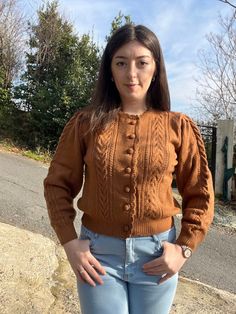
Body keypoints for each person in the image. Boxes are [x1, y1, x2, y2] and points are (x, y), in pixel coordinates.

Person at [44, 24, 214, 314]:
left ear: (156, 68)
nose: (131, 73)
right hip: (98, 256)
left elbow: (200, 193)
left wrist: (183, 248)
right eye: (121, 63)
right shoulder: (86, 123)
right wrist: (70, 243)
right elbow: (57, 185)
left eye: (142, 63)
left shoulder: (179, 127)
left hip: (157, 256)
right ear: (110, 69)